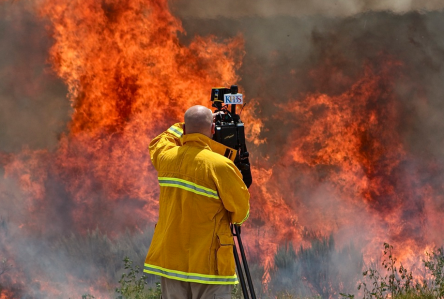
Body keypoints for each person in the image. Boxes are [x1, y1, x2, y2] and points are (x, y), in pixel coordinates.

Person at [143, 105, 250, 299]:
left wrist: (184, 124)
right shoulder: (221, 165)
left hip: (172, 264)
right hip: (209, 268)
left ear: (184, 129)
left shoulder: (166, 157)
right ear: (212, 130)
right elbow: (240, 211)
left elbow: (160, 140)